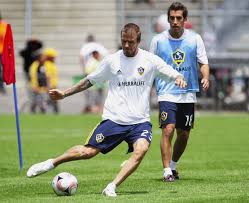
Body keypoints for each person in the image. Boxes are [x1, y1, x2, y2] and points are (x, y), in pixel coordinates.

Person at [26, 23, 187, 197]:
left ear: (138, 41)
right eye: (124, 41)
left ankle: (112, 186)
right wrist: (64, 94)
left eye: (130, 42)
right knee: (87, 152)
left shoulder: (150, 60)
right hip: (114, 120)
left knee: (141, 150)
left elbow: (170, 71)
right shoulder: (112, 60)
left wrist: (178, 77)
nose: (126, 45)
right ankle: (52, 163)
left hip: (140, 122)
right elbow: (89, 80)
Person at [150, 2, 210, 182]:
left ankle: (174, 164)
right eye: (172, 18)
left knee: (183, 134)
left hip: (188, 93)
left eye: (179, 18)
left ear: (185, 20)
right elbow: (149, 64)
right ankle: (167, 170)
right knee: (167, 129)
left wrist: (205, 76)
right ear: (168, 19)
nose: (175, 21)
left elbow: (203, 62)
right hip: (166, 92)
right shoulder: (158, 40)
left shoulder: (195, 39)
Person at [43, 48, 59, 113]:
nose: (54, 58)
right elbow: (48, 76)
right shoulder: (47, 64)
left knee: (54, 100)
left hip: (53, 86)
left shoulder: (52, 64)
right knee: (51, 100)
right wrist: (49, 87)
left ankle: (55, 112)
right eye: (53, 56)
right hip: (51, 86)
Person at [0, 12, 7, 94]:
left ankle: (1, 86)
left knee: (1, 69)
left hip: (2, 51)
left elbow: (4, 36)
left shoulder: (3, 25)